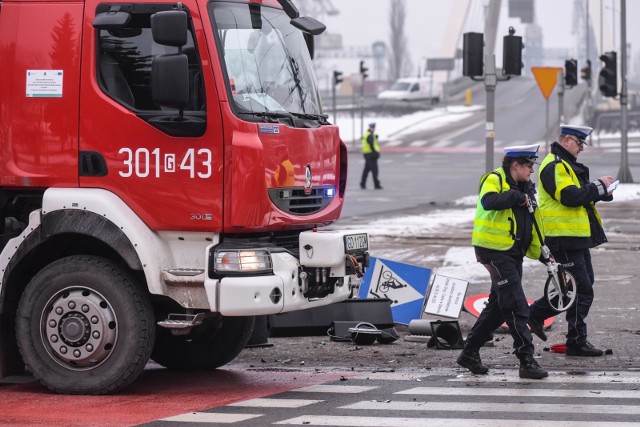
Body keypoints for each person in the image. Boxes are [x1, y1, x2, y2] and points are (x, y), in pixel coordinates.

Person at [457, 143, 548, 379]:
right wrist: (515, 196)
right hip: (494, 251)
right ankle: (526, 360)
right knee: (516, 305)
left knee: (498, 307)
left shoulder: (527, 188)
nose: (531, 171)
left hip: (512, 252)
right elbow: (488, 201)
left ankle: (469, 353)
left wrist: (543, 252)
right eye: (528, 166)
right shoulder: (495, 179)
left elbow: (534, 222)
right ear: (515, 165)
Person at [527, 124, 615, 357]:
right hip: (561, 238)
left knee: (576, 287)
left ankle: (534, 314)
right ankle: (576, 340)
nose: (582, 149)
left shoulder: (565, 165)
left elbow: (577, 196)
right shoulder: (555, 165)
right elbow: (569, 197)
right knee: (582, 289)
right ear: (566, 141)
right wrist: (597, 187)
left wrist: (599, 192)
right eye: (580, 143)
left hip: (574, 238)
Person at [360, 122, 382, 190]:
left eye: (373, 128)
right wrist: (375, 152)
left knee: (366, 170)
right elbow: (371, 144)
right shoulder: (369, 135)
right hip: (371, 154)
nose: (373, 129)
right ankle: (376, 184)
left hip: (367, 154)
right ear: (370, 128)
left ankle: (362, 183)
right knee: (374, 170)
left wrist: (375, 137)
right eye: (372, 128)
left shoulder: (368, 134)